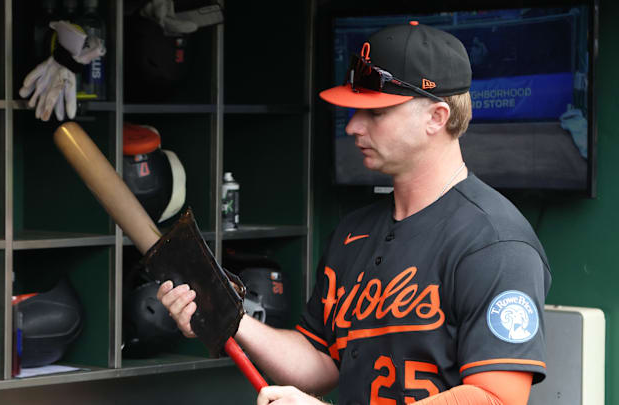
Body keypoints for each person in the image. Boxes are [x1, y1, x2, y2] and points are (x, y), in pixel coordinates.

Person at [158, 22, 551, 405]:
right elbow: (322, 364)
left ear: (436, 117)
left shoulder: (495, 243)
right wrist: (231, 319)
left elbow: (496, 397)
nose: (353, 126)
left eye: (375, 113)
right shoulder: (353, 233)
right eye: (355, 109)